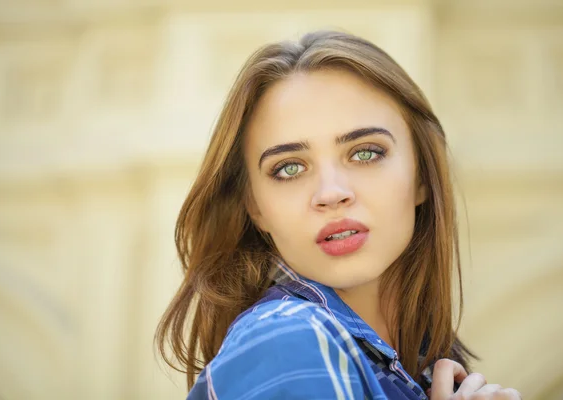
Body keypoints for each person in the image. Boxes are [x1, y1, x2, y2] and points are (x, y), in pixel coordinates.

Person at [156, 30, 522, 399]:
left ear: (422, 176)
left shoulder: (418, 368)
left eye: (365, 153)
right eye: (289, 168)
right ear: (255, 208)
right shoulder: (289, 338)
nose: (331, 193)